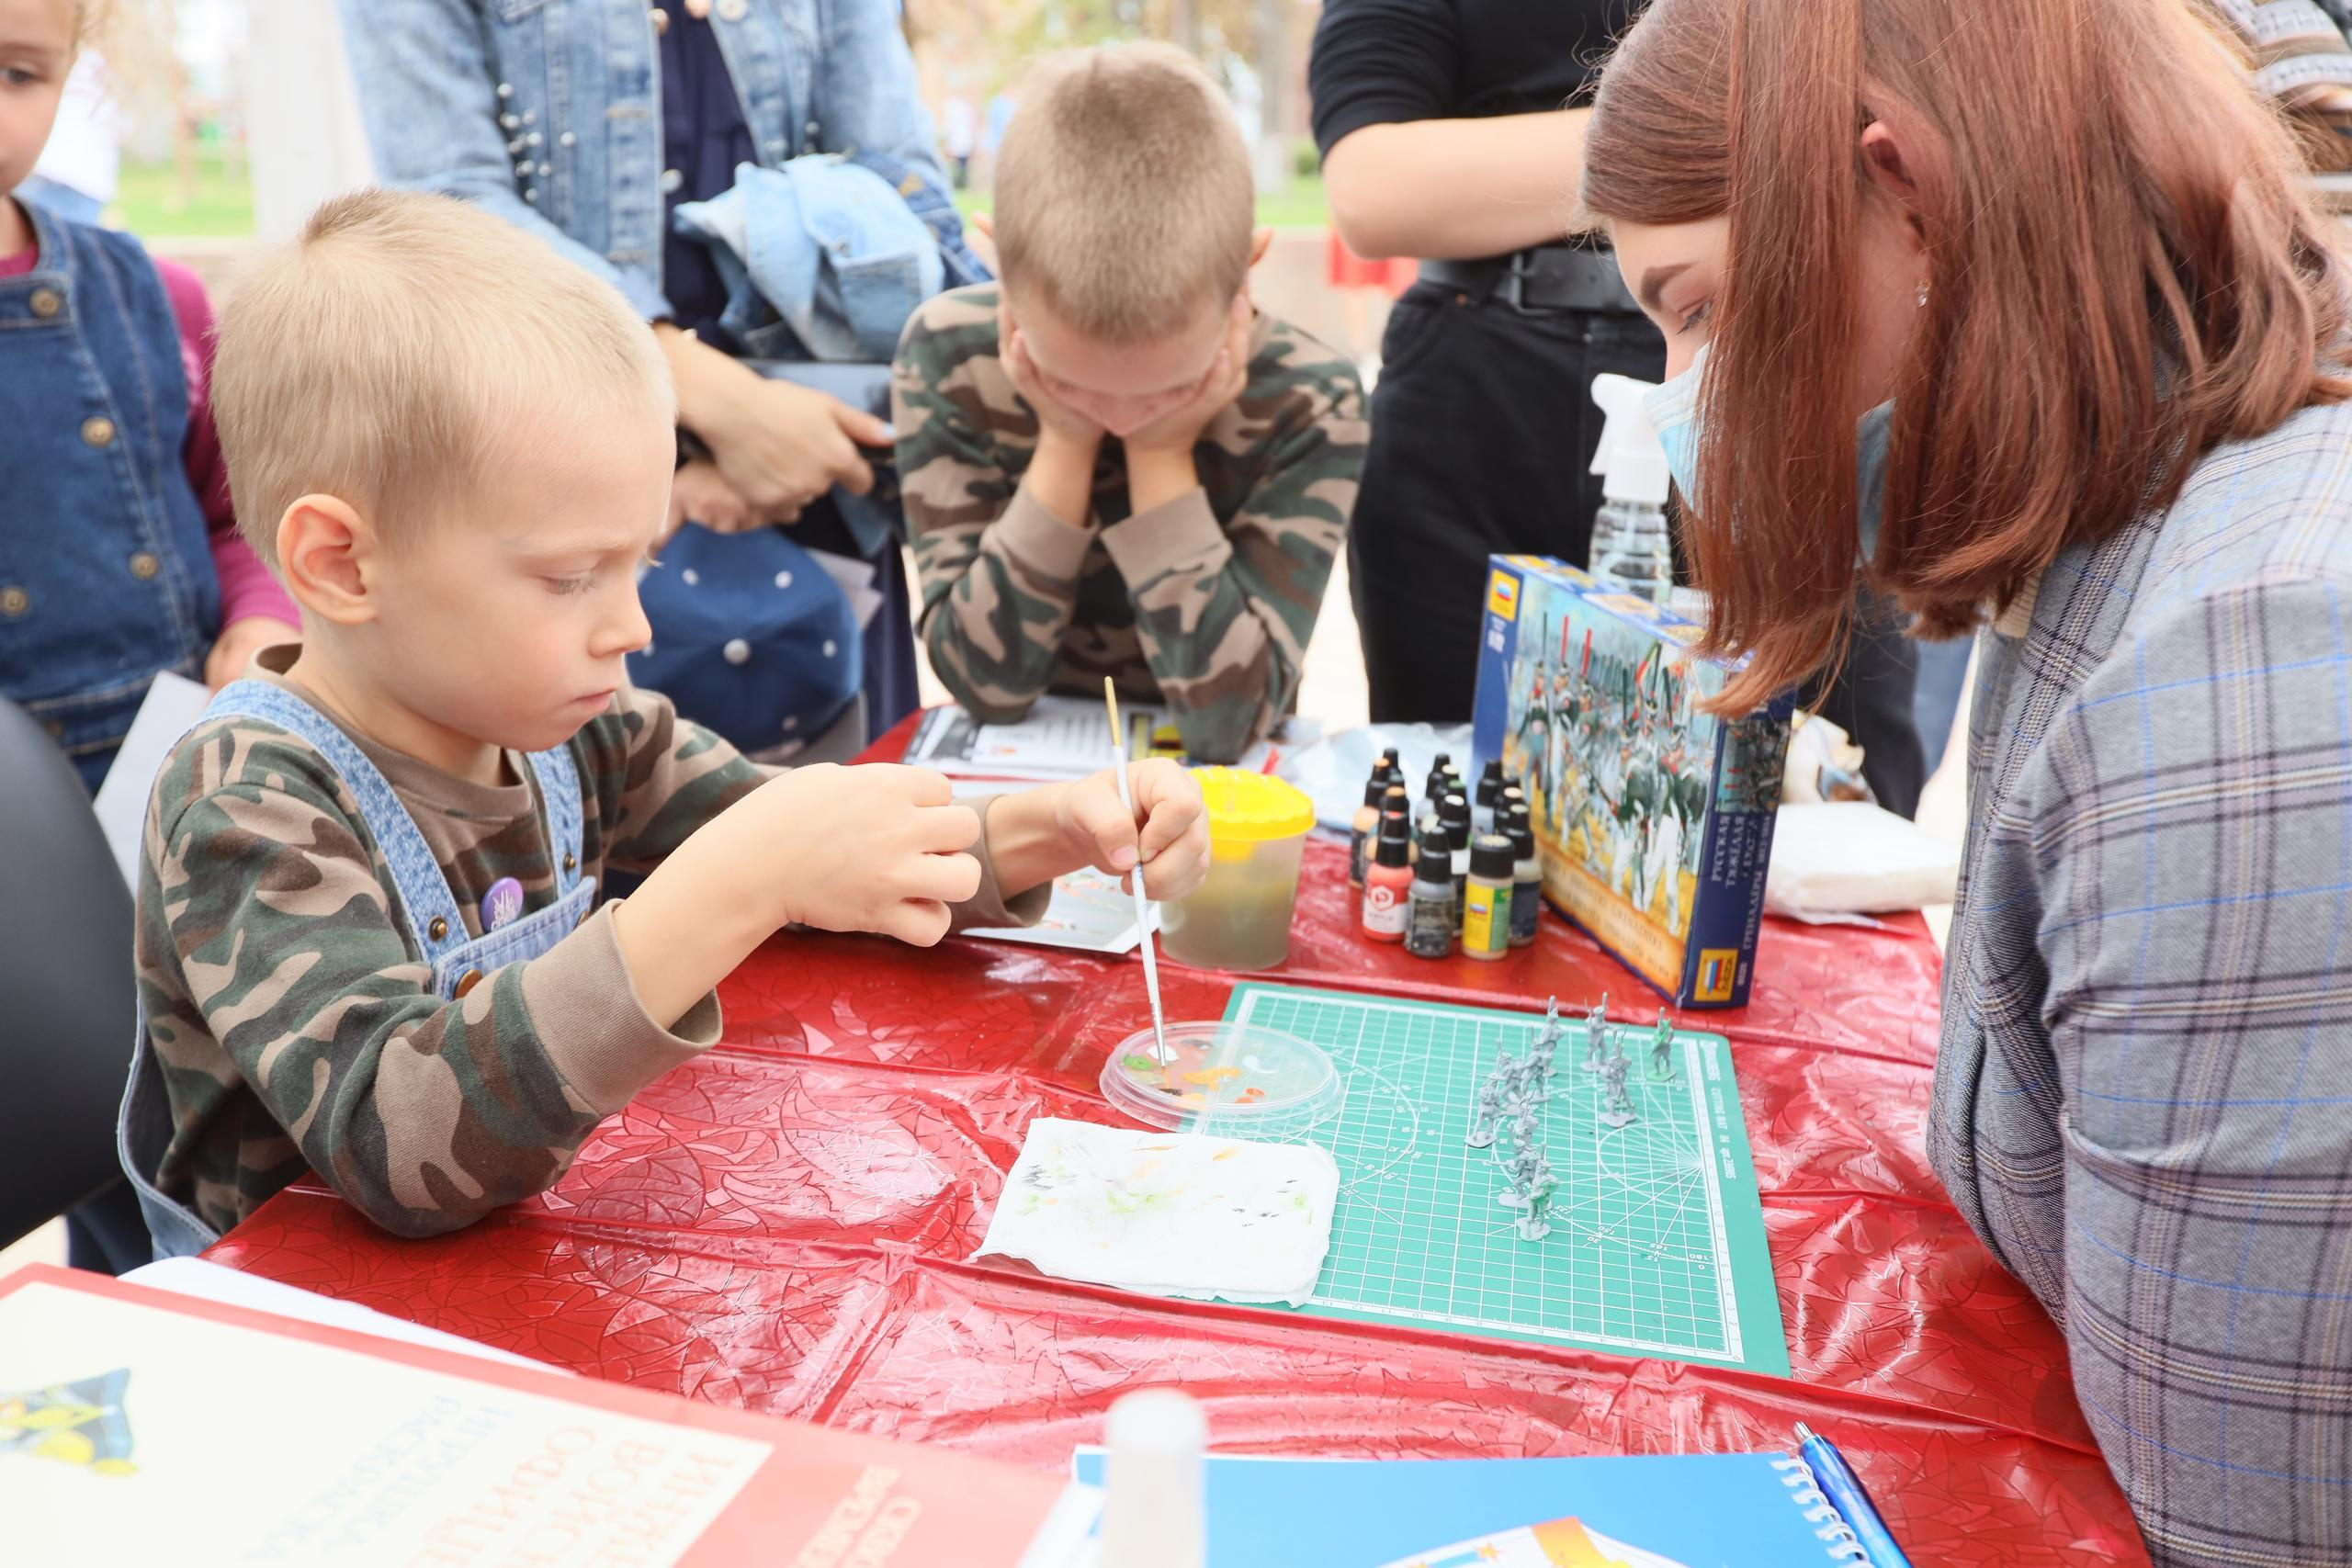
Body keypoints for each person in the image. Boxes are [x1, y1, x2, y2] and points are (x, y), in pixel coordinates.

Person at [1584, 2, 2352, 1559]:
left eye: (1698, 309)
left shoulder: (2248, 672)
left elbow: (2244, 1522)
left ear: (1911, 200)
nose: (1682, 402)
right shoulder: (2118, 537)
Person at [121, 189, 1210, 1254]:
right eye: (570, 577)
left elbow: (823, 851)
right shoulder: (246, 802)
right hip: (303, 1349)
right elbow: (399, 1144)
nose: (632, 627)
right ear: (342, 562)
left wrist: (1047, 833)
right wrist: (734, 882)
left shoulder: (587, 735)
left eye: (640, 563)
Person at [1310, 0, 1925, 815]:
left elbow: (1908, 79)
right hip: (1478, 395)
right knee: (1467, 808)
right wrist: (1726, 119)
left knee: (1820, 800)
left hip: (1788, 354)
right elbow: (1371, 186)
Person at [339, 0, 981, 741]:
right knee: (610, 823)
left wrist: (772, 436)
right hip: (570, 483)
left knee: (844, 825)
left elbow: (899, 187)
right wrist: (710, 407)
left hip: (812, 466)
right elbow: (449, 206)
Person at [1, 0, 300, 1272]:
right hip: (19, 868)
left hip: (181, 801)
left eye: (17, 71)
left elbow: (233, 512)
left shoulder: (151, 295)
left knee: (210, 1129)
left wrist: (261, 623)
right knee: (67, 1115)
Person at [893, 43, 1366, 765]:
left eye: (1162, 390)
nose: (1119, 417)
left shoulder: (1311, 395)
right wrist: (1063, 437)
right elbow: (986, 682)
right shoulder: (947, 353)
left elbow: (1231, 723)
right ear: (998, 268)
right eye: (1075, 382)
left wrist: (1161, 451)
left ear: (1246, 274)